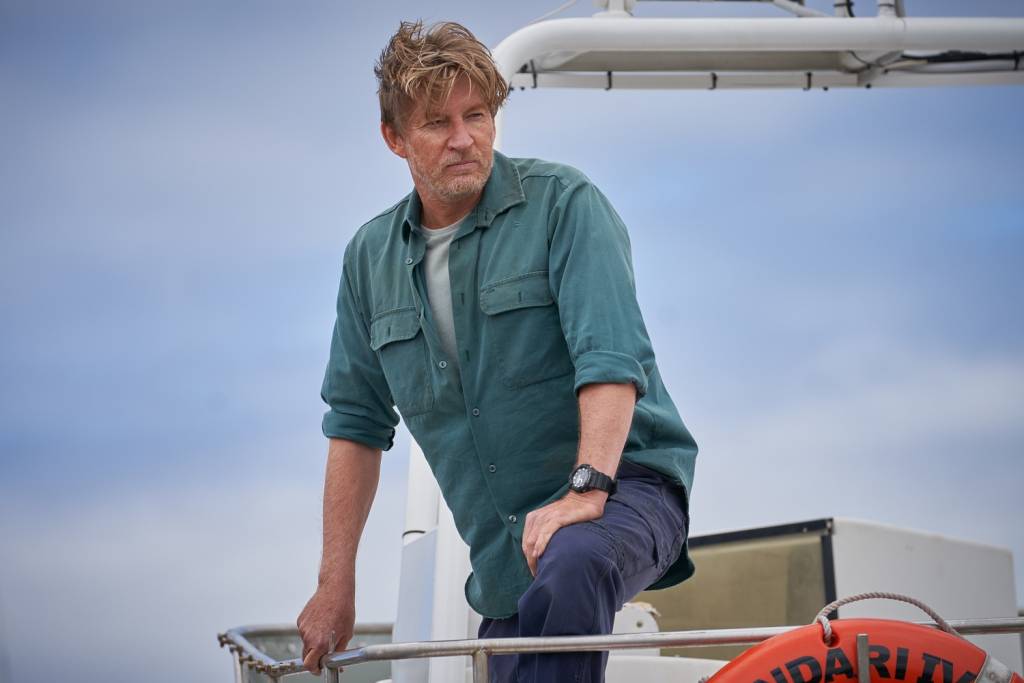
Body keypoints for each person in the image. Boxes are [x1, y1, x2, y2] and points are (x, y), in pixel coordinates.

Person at [297, 20, 698, 683]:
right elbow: (355, 425)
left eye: (476, 115)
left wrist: (587, 488)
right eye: (437, 123)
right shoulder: (368, 261)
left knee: (572, 562)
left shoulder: (566, 204)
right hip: (508, 557)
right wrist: (334, 584)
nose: (463, 138)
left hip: (625, 489)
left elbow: (610, 360)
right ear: (394, 137)